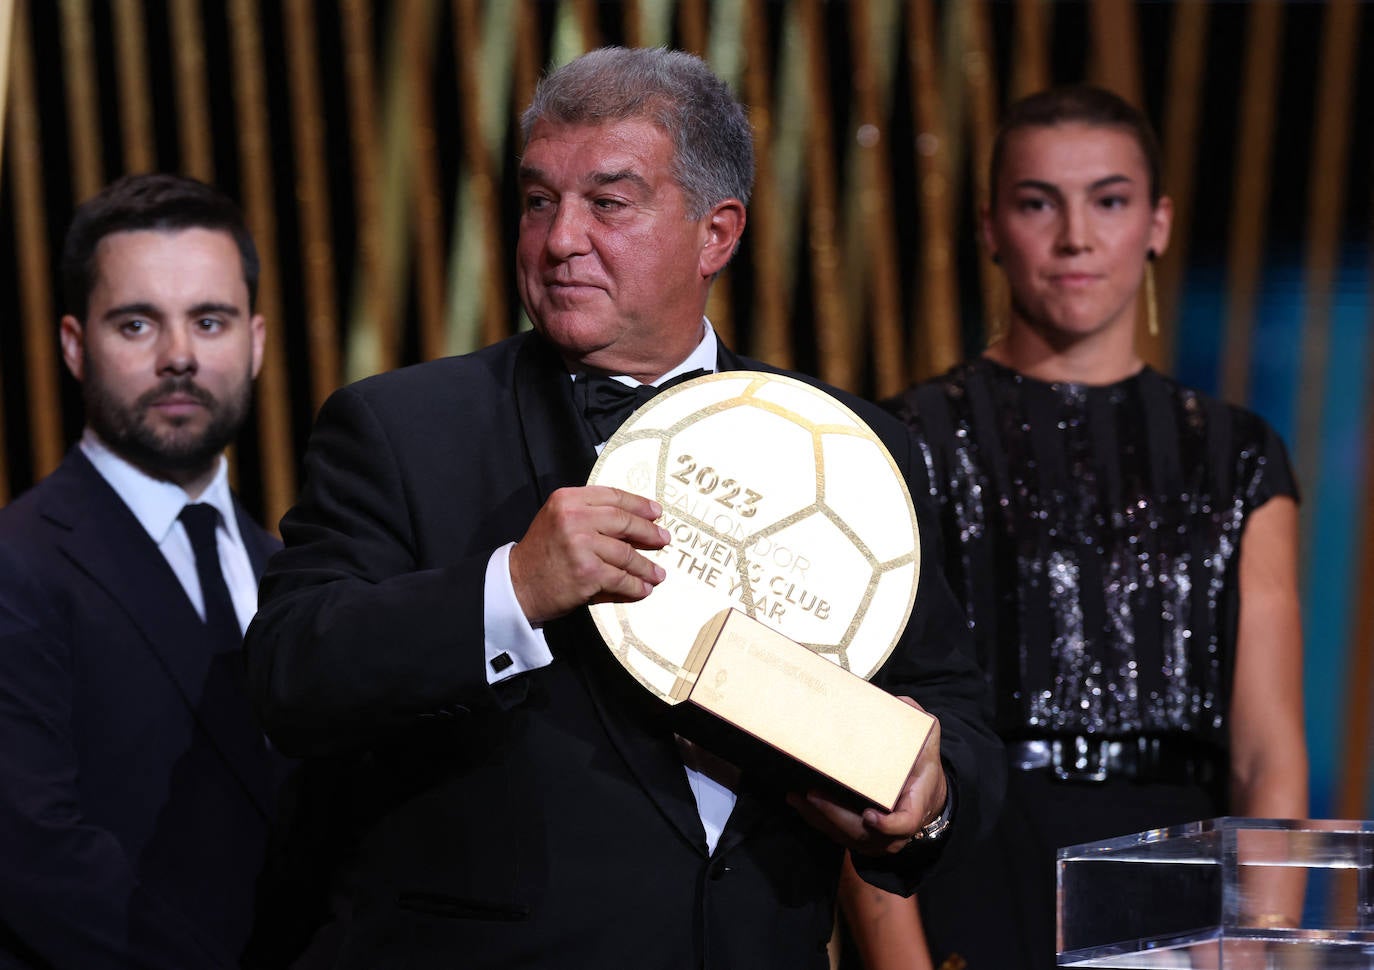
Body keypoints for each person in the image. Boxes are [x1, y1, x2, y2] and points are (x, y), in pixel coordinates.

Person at [243, 46, 1002, 970]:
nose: (561, 239)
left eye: (608, 203)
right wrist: (510, 590)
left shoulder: (847, 451)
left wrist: (927, 801)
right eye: (537, 201)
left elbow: (955, 714)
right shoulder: (401, 428)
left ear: (716, 233)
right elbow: (288, 674)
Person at [840, 84, 1308, 970]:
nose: (1076, 238)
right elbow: (863, 741)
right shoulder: (906, 444)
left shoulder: (1239, 457)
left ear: (1158, 223)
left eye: (1110, 200)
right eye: (1036, 203)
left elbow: (1268, 753)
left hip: (1181, 880)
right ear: (990, 226)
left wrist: (1255, 954)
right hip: (972, 860)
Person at [0, 174, 284, 966]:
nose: (180, 357)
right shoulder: (15, 566)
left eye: (210, 320)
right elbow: (32, 860)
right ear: (72, 343)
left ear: (255, 342)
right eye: (136, 324)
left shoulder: (294, 574)